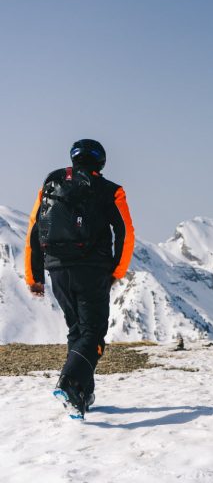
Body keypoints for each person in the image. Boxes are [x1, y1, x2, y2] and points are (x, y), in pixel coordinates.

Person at [24, 139, 134, 417]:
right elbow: (125, 233)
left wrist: (34, 276)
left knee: (77, 330)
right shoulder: (111, 191)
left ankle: (81, 396)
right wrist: (116, 272)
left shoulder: (51, 183)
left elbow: (34, 231)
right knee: (93, 332)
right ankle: (70, 383)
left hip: (57, 269)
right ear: (101, 161)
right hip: (92, 270)